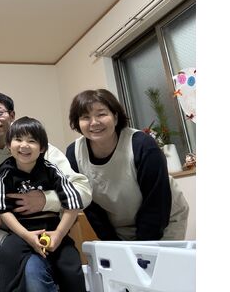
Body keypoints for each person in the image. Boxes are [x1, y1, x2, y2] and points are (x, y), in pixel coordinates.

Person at [0, 91, 92, 292]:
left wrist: (45, 200)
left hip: (45, 227)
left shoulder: (39, 148)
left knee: (37, 269)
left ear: (12, 115)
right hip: (0, 233)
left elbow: (82, 191)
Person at [66, 88, 189, 241]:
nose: (94, 122)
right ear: (78, 123)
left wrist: (142, 247)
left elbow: (156, 202)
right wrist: (112, 242)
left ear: (115, 117)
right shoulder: (74, 154)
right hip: (119, 226)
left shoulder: (142, 145)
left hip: (164, 218)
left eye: (101, 114)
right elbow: (90, 207)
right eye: (85, 117)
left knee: (154, 256)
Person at [0, 117, 85, 292]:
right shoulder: (4, 174)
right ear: (8, 145)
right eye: (18, 139)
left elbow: (73, 203)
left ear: (42, 147)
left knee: (70, 264)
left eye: (31, 141)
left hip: (52, 227)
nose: (24, 145)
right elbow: (3, 210)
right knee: (7, 255)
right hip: (21, 230)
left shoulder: (51, 169)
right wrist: (26, 235)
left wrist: (59, 234)